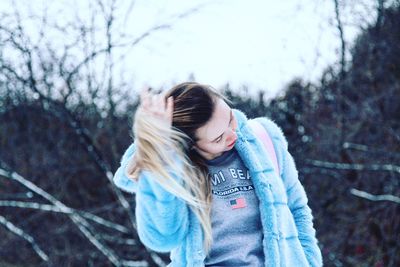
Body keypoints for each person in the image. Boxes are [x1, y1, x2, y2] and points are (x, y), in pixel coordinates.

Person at [113, 82, 323, 266]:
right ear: (192, 145)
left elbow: (297, 209)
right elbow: (162, 238)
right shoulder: (180, 171)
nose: (233, 134)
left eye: (231, 119)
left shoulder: (264, 141)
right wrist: (160, 156)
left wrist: (309, 262)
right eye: (218, 138)